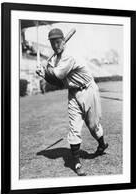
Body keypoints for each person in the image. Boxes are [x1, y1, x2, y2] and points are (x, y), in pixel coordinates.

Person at [36, 28, 108, 176]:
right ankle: (76, 162)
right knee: (74, 128)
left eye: (58, 42)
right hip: (73, 93)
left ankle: (101, 145)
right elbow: (57, 83)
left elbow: (56, 75)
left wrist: (46, 68)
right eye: (53, 43)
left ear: (63, 41)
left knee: (93, 126)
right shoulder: (56, 59)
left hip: (88, 90)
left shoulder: (69, 56)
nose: (56, 45)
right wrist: (44, 73)